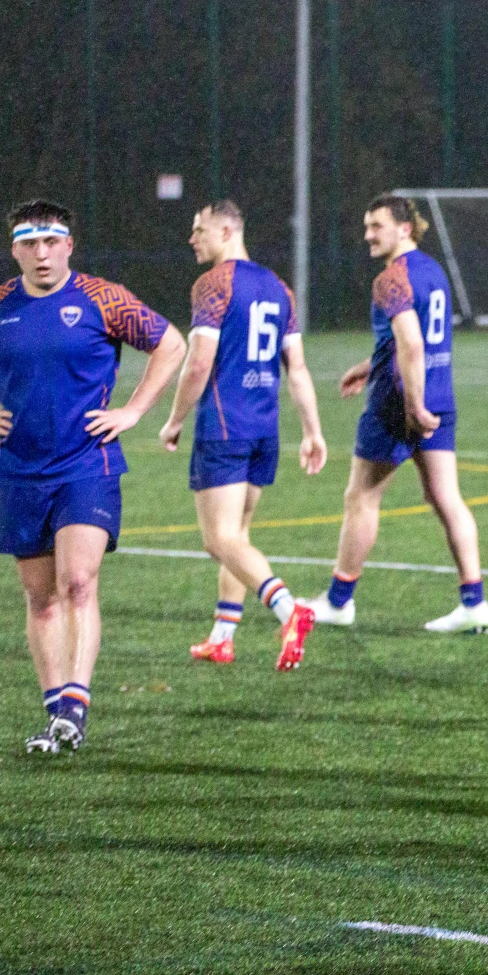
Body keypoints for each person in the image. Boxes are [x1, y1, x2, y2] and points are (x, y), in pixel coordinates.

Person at [0, 199, 185, 753]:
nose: (41, 253)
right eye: (30, 243)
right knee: (40, 597)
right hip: (20, 468)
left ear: (69, 245)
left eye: (52, 242)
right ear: (15, 248)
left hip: (86, 464)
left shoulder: (103, 298)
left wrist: (134, 411)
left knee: (78, 583)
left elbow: (170, 342)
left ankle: (75, 706)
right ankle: (56, 714)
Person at [154, 200, 327, 670]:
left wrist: (174, 421)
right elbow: (298, 370)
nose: (192, 237)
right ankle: (223, 635)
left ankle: (290, 609)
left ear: (228, 230)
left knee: (218, 540)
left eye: (199, 228)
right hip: (263, 430)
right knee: (239, 534)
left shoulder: (213, 284)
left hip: (225, 428)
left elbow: (198, 364)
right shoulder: (278, 288)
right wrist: (312, 431)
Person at [312, 194, 488, 634]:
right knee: (445, 497)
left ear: (404, 229)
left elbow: (411, 344)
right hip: (440, 399)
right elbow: (413, 345)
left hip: (398, 406)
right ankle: (474, 602)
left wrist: (411, 404)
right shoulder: (433, 272)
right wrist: (369, 366)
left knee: (362, 498)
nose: (367, 235)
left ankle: (338, 601)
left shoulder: (391, 279)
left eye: (376, 226)